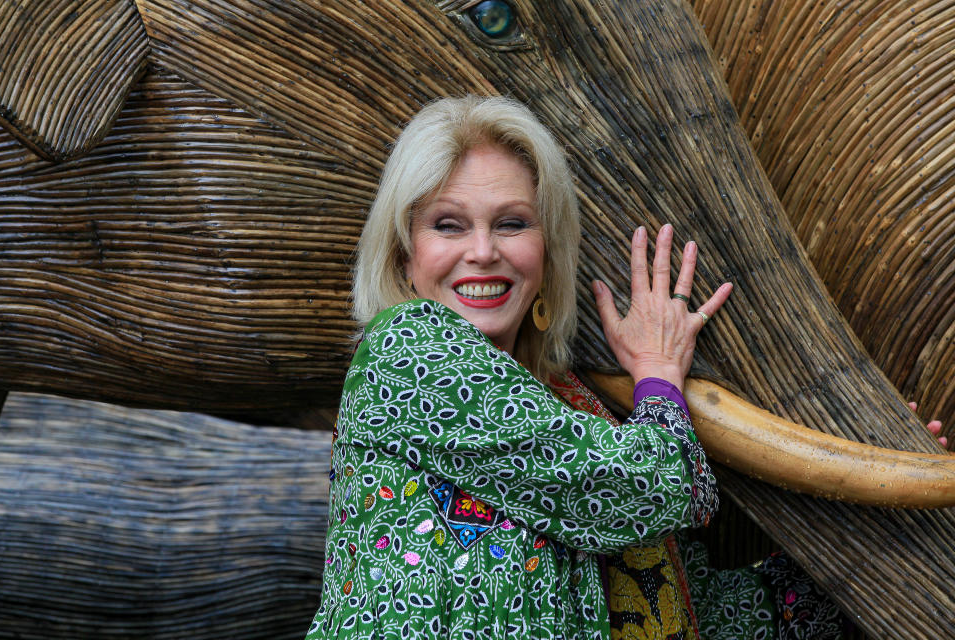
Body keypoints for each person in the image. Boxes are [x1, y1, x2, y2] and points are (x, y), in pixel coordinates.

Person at [303, 95, 852, 639]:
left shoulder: (577, 407)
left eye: (512, 224)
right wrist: (658, 376)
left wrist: (854, 506)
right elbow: (646, 488)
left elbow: (692, 609)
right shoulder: (405, 349)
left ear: (547, 252)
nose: (483, 251)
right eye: (448, 225)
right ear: (405, 255)